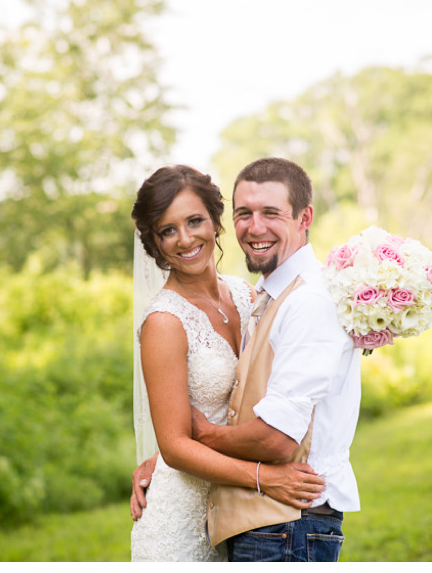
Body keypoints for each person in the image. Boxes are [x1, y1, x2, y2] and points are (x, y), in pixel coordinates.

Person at [128, 165, 324, 561]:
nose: (185, 239)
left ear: (216, 222)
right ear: (154, 243)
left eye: (194, 221)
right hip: (182, 518)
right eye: (168, 230)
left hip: (238, 511)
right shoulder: (164, 321)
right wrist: (265, 478)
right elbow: (177, 446)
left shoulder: (246, 293)